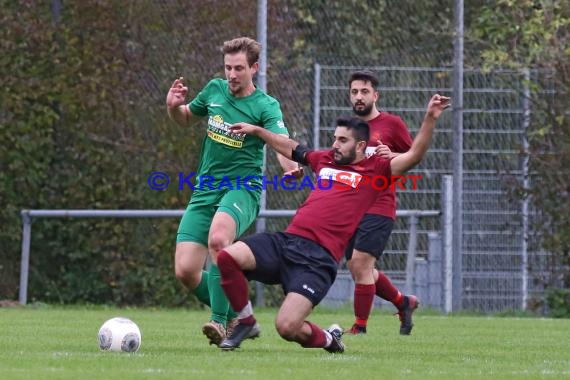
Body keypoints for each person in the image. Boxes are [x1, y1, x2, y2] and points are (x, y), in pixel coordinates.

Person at [215, 94, 450, 353]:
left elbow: (415, 155)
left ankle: (330, 340)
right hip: (287, 242)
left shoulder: (377, 169)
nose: (334, 144)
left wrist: (430, 117)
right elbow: (292, 147)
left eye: (342, 140)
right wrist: (259, 131)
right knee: (227, 256)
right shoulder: (325, 159)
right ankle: (246, 321)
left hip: (317, 261)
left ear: (361, 146)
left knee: (287, 328)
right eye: (334, 138)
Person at [165, 36, 300, 347]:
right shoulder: (214, 90)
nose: (232, 74)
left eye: (239, 68)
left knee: (219, 240)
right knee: (185, 270)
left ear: (254, 68)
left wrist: (289, 167)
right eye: (228, 67)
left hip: (242, 190)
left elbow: (280, 141)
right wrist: (172, 106)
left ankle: (219, 320)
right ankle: (238, 314)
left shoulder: (265, 105)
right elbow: (185, 117)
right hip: (205, 189)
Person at [344, 70, 418, 335]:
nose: (359, 97)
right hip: (351, 206)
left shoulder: (392, 124)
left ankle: (359, 327)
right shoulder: (349, 128)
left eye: (364, 92)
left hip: (380, 204)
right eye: (354, 92)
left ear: (375, 95)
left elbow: (413, 156)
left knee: (362, 263)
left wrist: (393, 153)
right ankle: (403, 302)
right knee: (357, 267)